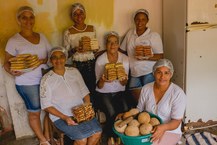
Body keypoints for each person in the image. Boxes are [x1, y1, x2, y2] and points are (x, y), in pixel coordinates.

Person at [3, 6, 51, 145]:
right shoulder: (14, 40)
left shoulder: (42, 36)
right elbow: (7, 63)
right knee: (34, 112)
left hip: (45, 79)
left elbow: (51, 55)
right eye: (24, 17)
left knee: (49, 108)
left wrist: (41, 61)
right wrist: (11, 71)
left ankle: (47, 134)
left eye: (31, 17)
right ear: (18, 20)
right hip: (27, 83)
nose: (28, 20)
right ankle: (43, 140)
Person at [40, 47, 102, 145]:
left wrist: (87, 108)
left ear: (65, 58)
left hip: (81, 113)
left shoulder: (74, 71)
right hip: (60, 117)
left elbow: (85, 92)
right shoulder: (46, 79)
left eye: (61, 56)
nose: (58, 60)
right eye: (54, 57)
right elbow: (46, 106)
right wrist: (65, 117)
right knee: (82, 139)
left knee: (97, 133)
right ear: (51, 60)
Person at [137, 59, 186, 145]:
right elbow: (139, 109)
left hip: (170, 131)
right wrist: (127, 115)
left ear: (171, 74)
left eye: (166, 73)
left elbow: (176, 121)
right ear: (153, 73)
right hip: (147, 129)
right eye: (159, 72)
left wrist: (163, 127)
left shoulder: (178, 93)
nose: (162, 77)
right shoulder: (146, 88)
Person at [120, 9, 164, 103]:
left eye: (143, 19)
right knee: (138, 103)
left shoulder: (153, 35)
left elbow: (160, 56)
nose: (140, 22)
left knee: (151, 101)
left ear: (147, 21)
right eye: (137, 19)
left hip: (148, 73)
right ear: (134, 20)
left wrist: (146, 56)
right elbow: (122, 51)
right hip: (134, 73)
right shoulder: (130, 34)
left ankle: (153, 118)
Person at [95, 31, 129, 144]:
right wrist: (103, 80)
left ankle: (124, 136)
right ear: (106, 45)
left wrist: (124, 80)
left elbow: (124, 84)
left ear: (118, 44)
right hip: (104, 92)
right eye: (109, 42)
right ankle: (113, 138)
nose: (112, 45)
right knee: (111, 112)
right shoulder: (100, 61)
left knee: (125, 111)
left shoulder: (124, 59)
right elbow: (99, 86)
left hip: (120, 91)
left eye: (115, 42)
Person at [63, 3, 97, 106]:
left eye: (81, 13)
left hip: (92, 63)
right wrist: (75, 50)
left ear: (85, 14)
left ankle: (93, 113)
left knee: (92, 89)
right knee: (80, 91)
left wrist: (93, 48)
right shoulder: (68, 32)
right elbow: (65, 55)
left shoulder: (92, 29)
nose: (79, 16)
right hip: (78, 65)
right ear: (71, 17)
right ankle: (83, 114)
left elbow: (95, 49)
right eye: (75, 14)